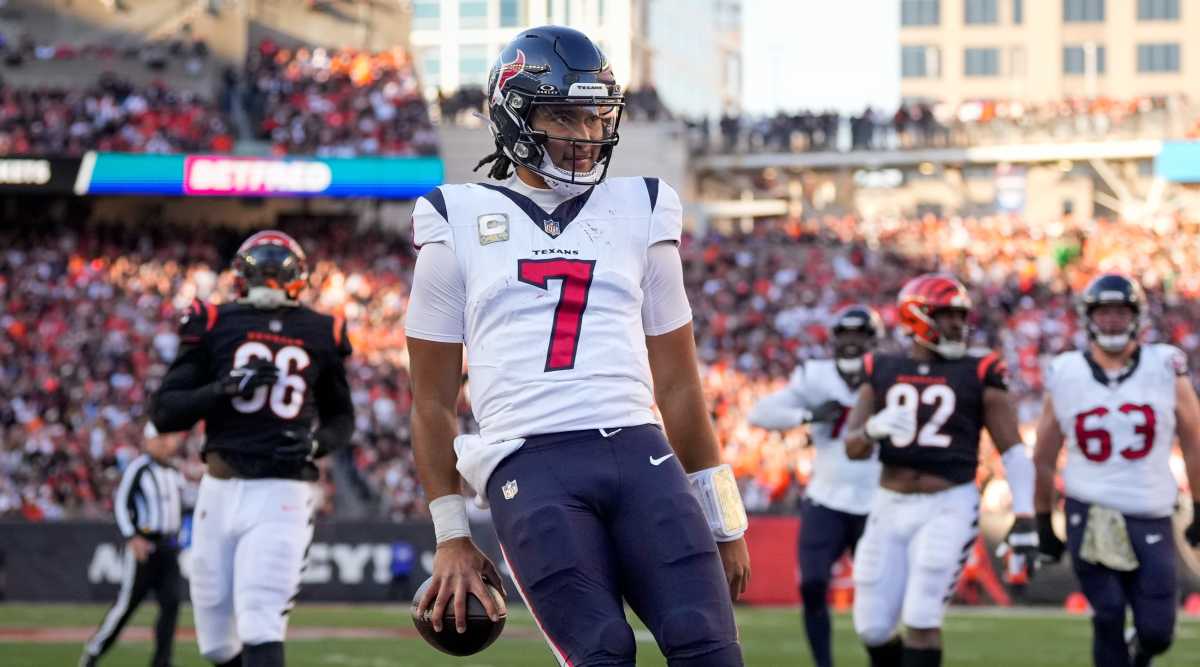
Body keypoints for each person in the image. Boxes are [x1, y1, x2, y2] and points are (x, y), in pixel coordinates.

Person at [405, 25, 751, 667]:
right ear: (513, 114)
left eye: (595, 117)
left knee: (711, 649)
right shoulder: (452, 216)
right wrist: (451, 534)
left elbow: (679, 384)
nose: (585, 135)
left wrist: (724, 516)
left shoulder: (642, 205)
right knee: (602, 652)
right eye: (563, 115)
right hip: (529, 463)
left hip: (640, 452)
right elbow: (430, 401)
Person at [151, 230, 355, 667]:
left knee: (261, 622)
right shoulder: (214, 321)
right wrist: (224, 388)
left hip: (281, 493)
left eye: (275, 273)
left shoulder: (321, 330)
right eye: (260, 272)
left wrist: (317, 443)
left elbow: (342, 419)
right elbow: (166, 412)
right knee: (216, 644)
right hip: (218, 491)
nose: (269, 282)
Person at [841, 273, 1038, 667]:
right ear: (917, 317)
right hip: (888, 504)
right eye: (946, 315)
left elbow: (1013, 450)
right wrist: (872, 429)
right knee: (872, 628)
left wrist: (1026, 516)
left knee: (921, 616)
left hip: (948, 502)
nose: (957, 324)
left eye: (960, 315)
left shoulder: (980, 368)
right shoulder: (880, 366)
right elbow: (854, 448)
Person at [1033, 274, 1200, 667]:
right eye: (1104, 312)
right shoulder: (1066, 371)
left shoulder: (1164, 365)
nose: (1111, 321)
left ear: (1136, 317)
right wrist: (1042, 520)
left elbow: (1194, 439)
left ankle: (1140, 655)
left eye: (1120, 312)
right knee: (1107, 613)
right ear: (1089, 317)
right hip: (1089, 508)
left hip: (1151, 509)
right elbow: (1043, 454)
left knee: (1157, 631)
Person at [747, 304, 884, 667]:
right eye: (845, 336)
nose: (852, 344)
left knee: (877, 595)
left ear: (874, 341)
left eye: (860, 336)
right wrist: (807, 414)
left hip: (875, 500)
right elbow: (759, 413)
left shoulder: (889, 375)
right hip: (826, 498)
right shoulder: (815, 376)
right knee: (812, 584)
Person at [80, 422, 186, 667]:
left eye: (166, 438)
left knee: (171, 604)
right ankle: (94, 651)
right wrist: (132, 536)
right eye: (159, 439)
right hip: (144, 548)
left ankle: (162, 661)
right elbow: (121, 504)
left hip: (169, 548)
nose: (164, 443)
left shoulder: (173, 471)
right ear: (148, 441)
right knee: (126, 606)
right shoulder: (139, 468)